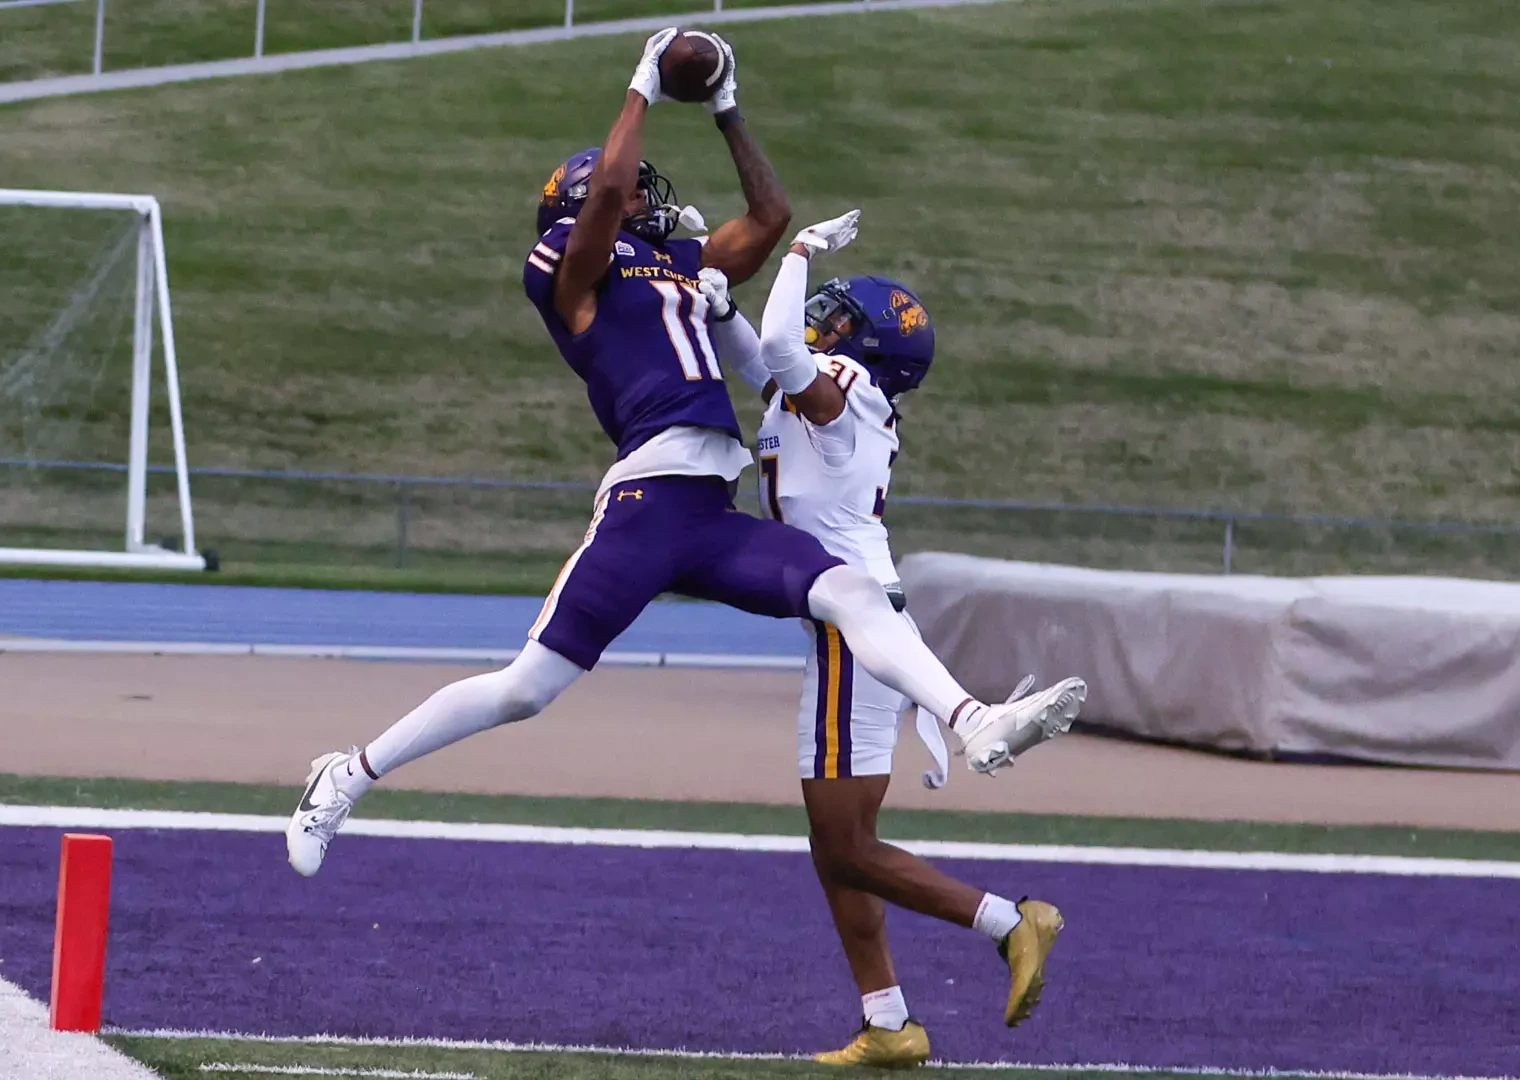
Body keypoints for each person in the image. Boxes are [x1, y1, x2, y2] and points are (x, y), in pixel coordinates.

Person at [285, 26, 1085, 973]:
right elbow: (617, 196)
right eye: (631, 194)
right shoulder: (565, 267)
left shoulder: (673, 264)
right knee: (525, 690)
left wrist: (727, 103)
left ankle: (972, 719)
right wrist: (642, 83)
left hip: (709, 508)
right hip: (646, 503)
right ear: (587, 206)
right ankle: (349, 773)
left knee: (855, 595)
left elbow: (771, 213)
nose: (654, 202)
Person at [695, 221, 1077, 1066]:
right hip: (856, 618)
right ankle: (889, 1022)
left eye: (840, 320)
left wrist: (794, 255)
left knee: (844, 846)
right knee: (840, 847)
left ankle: (1012, 923)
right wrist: (723, 310)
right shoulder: (838, 391)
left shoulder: (843, 378)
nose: (825, 325)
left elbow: (783, 350)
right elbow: (763, 362)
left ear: (861, 345)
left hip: (850, 628)